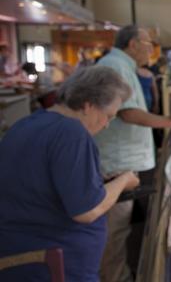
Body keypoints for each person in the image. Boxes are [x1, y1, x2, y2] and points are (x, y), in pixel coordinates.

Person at [0, 66, 140, 282]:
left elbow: (44, 181)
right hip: (53, 265)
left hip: (23, 257)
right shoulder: (72, 133)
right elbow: (88, 210)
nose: (106, 126)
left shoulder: (28, 123)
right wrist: (123, 180)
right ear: (88, 105)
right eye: (108, 116)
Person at [95, 25, 171, 282]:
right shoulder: (115, 66)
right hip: (117, 162)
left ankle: (119, 273)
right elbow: (127, 112)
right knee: (115, 229)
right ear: (132, 43)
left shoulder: (123, 65)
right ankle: (115, 277)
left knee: (121, 227)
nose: (151, 47)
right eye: (147, 42)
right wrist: (169, 121)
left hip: (124, 160)